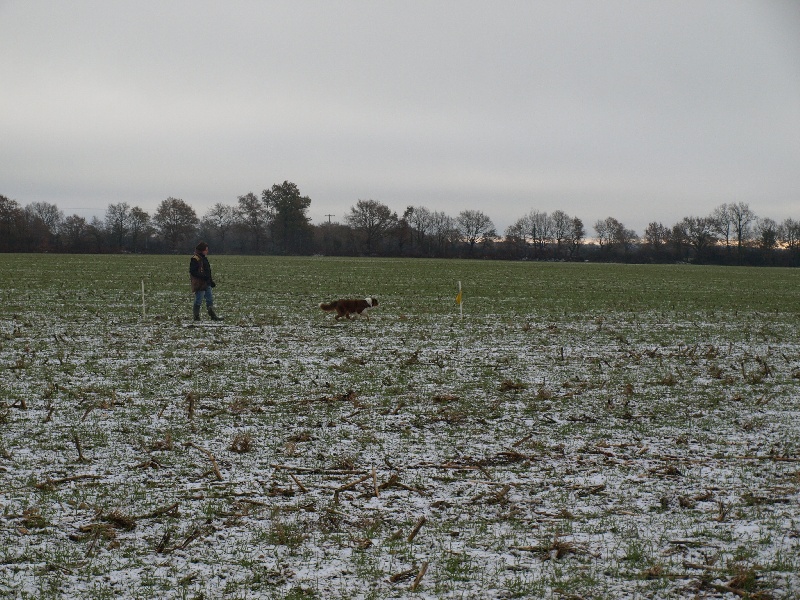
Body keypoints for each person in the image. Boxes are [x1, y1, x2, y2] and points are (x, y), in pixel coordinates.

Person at [189, 241, 222, 321]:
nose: (207, 251)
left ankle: (213, 316)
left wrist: (210, 281)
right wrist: (203, 277)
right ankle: (196, 317)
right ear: (202, 250)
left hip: (207, 283)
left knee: (210, 299)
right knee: (198, 300)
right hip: (199, 284)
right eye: (206, 250)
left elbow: (207, 272)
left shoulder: (204, 258)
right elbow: (193, 271)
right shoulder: (195, 259)